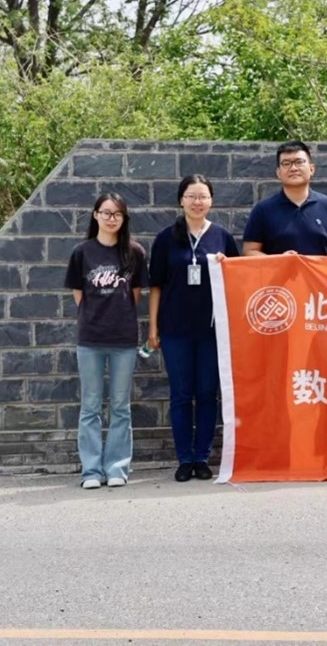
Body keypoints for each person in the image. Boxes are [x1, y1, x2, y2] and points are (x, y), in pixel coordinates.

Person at [147, 175, 241, 482]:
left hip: (212, 330)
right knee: (181, 395)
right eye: (191, 196)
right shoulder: (165, 238)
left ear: (211, 201)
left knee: (207, 393)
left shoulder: (222, 237)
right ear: (181, 200)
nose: (197, 202)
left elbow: (239, 281)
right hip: (175, 330)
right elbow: (156, 286)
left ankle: (202, 457)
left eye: (203, 196)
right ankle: (184, 458)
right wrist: (153, 328)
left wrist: (227, 266)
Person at [64, 193, 148, 489]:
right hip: (90, 339)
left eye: (117, 214)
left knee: (121, 405)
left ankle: (116, 468)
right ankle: (91, 471)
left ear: (124, 218)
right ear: (95, 214)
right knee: (90, 406)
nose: (111, 218)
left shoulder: (134, 252)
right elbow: (79, 294)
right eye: (106, 212)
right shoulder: (82, 252)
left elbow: (135, 295)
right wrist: (95, 316)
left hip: (124, 339)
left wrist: (116, 315)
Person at [242, 140, 327, 257]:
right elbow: (249, 251)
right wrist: (278, 260)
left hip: (320, 270)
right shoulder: (263, 210)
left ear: (311, 169)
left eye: (299, 162)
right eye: (286, 163)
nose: (293, 168)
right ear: (278, 172)